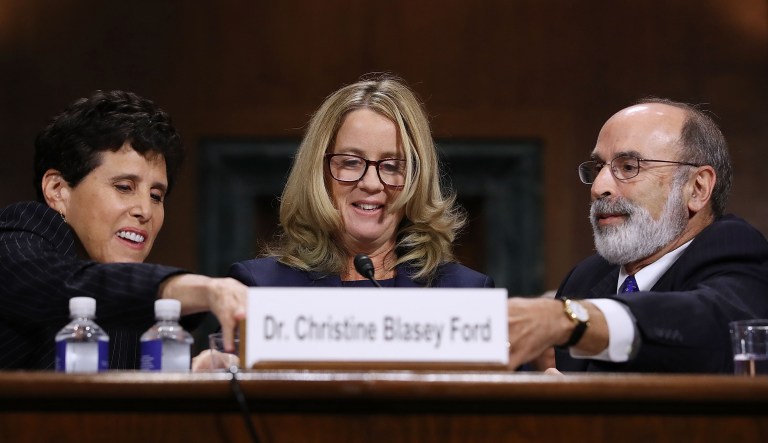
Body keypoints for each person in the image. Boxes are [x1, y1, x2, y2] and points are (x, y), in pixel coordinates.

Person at [505, 98, 768, 373]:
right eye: (598, 168)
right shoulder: (584, 279)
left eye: (629, 167)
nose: (598, 187)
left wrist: (570, 319)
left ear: (697, 188)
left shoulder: (736, 250)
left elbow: (710, 325)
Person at [0, 90, 246, 370]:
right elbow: (60, 285)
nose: (145, 210)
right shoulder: (18, 236)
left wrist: (193, 378)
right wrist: (186, 287)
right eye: (124, 187)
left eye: (156, 195)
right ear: (58, 190)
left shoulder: (133, 308)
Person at [228, 75, 493, 289]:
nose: (370, 183)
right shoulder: (261, 289)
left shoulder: (465, 293)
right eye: (351, 162)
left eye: (391, 166)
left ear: (416, 180)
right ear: (318, 172)